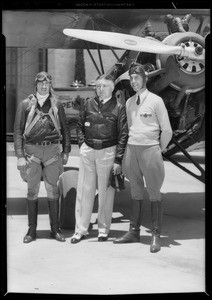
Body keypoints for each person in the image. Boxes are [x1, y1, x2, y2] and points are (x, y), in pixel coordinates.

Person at [113, 63, 173, 253]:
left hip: (150, 150)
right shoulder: (130, 102)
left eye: (136, 78)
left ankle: (155, 235)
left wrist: (158, 149)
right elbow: (130, 128)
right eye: (131, 78)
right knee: (135, 192)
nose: (133, 81)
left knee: (154, 192)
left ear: (145, 79)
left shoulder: (156, 101)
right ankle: (133, 231)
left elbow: (167, 130)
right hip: (133, 150)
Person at [13, 71, 71, 243]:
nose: (44, 86)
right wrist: (20, 156)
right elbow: (17, 131)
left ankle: (55, 229)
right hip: (32, 153)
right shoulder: (25, 104)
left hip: (53, 152)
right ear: (36, 85)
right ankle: (31, 231)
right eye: (41, 83)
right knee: (32, 191)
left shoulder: (57, 104)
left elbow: (65, 129)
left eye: (47, 83)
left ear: (50, 85)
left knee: (53, 190)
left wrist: (66, 150)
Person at [70, 74, 128, 243]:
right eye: (98, 86)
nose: (100, 89)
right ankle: (80, 230)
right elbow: (79, 125)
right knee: (84, 191)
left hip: (108, 150)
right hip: (88, 150)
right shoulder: (88, 103)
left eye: (104, 86)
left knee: (106, 193)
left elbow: (123, 134)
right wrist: (82, 145)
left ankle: (103, 229)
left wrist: (118, 159)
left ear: (112, 88)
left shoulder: (119, 107)